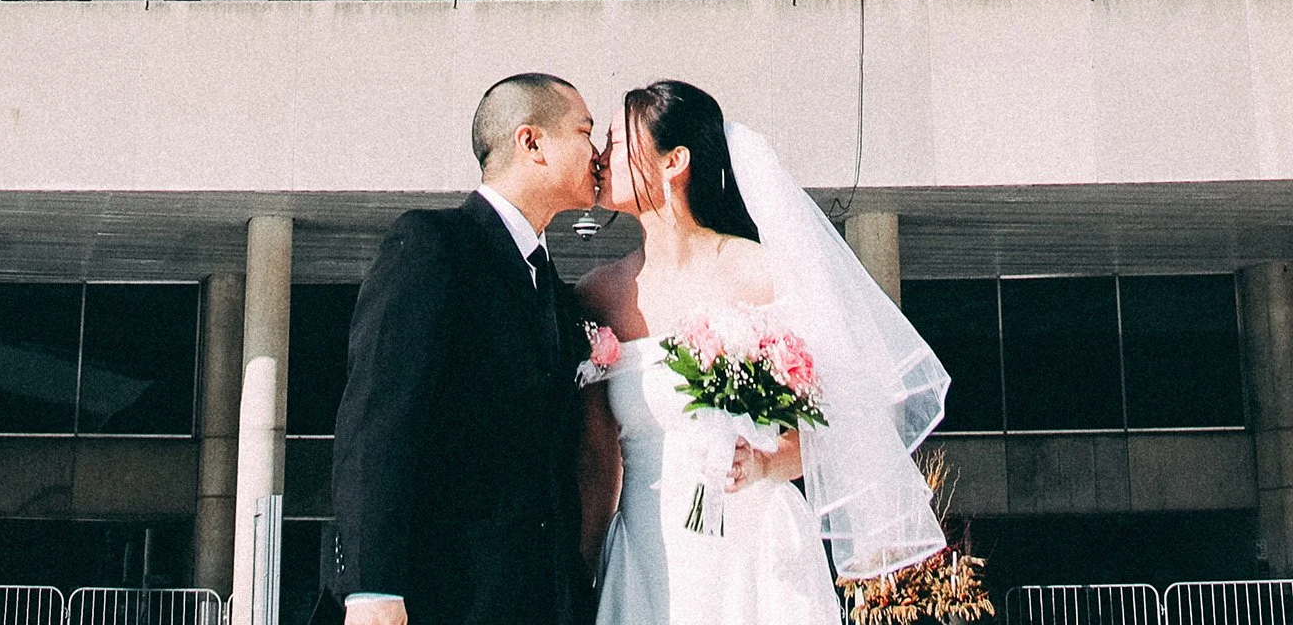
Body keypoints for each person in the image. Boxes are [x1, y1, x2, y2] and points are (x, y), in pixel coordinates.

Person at [579, 80, 949, 625]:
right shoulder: (597, 295)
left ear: (673, 161)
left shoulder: (763, 274)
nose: (600, 157)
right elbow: (595, 459)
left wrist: (771, 461)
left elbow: (849, 419)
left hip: (752, 550)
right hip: (646, 556)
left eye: (615, 140)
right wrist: (585, 565)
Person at [314, 71, 603, 625]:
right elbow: (377, 422)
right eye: (585, 132)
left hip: (541, 600)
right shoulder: (433, 246)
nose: (597, 152)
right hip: (438, 597)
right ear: (532, 142)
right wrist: (371, 589)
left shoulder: (555, 292)